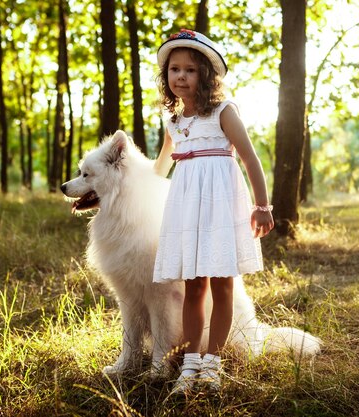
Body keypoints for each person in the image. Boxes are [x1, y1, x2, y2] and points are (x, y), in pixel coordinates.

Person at [152, 29, 274, 395]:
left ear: (205, 75)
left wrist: (263, 206)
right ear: (166, 76)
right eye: (174, 70)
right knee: (193, 285)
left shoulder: (224, 111)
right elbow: (161, 167)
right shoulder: (173, 120)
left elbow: (251, 159)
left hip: (221, 204)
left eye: (190, 70)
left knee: (222, 283)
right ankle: (190, 363)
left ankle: (213, 364)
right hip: (187, 207)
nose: (181, 77)